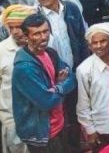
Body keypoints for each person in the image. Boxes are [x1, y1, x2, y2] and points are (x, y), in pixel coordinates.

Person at [11, 13, 77, 152]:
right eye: (36, 34)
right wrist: (61, 86)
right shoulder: (24, 68)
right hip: (42, 134)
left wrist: (57, 88)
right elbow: (46, 101)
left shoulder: (50, 53)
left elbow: (71, 78)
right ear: (26, 36)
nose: (43, 37)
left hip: (59, 124)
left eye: (45, 31)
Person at [76, 22, 109, 151]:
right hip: (104, 126)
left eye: (103, 41)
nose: (98, 46)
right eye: (94, 43)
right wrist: (90, 130)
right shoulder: (84, 69)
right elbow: (83, 104)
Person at [0, 5, 36, 153]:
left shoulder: (43, 44)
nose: (15, 32)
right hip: (12, 118)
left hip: (41, 116)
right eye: (11, 27)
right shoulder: (2, 50)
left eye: (19, 27)